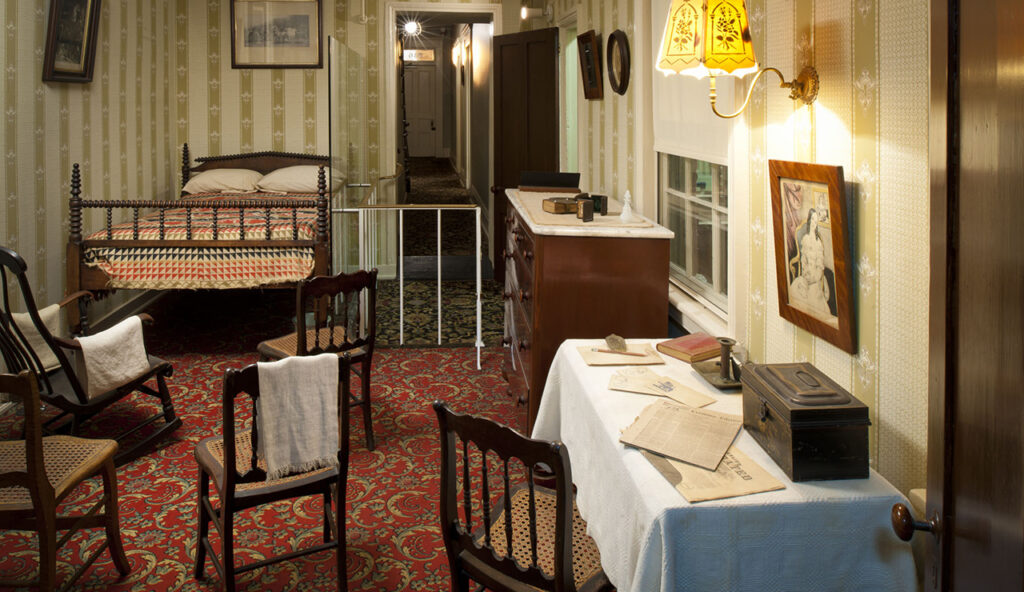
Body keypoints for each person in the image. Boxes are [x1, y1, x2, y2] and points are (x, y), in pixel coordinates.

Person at [788, 208, 836, 321]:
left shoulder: (818, 243)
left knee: (814, 298)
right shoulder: (805, 239)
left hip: (816, 276)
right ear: (810, 221)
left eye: (816, 220)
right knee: (796, 290)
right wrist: (806, 274)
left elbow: (820, 264)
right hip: (806, 274)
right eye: (813, 219)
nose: (815, 223)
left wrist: (815, 276)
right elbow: (803, 260)